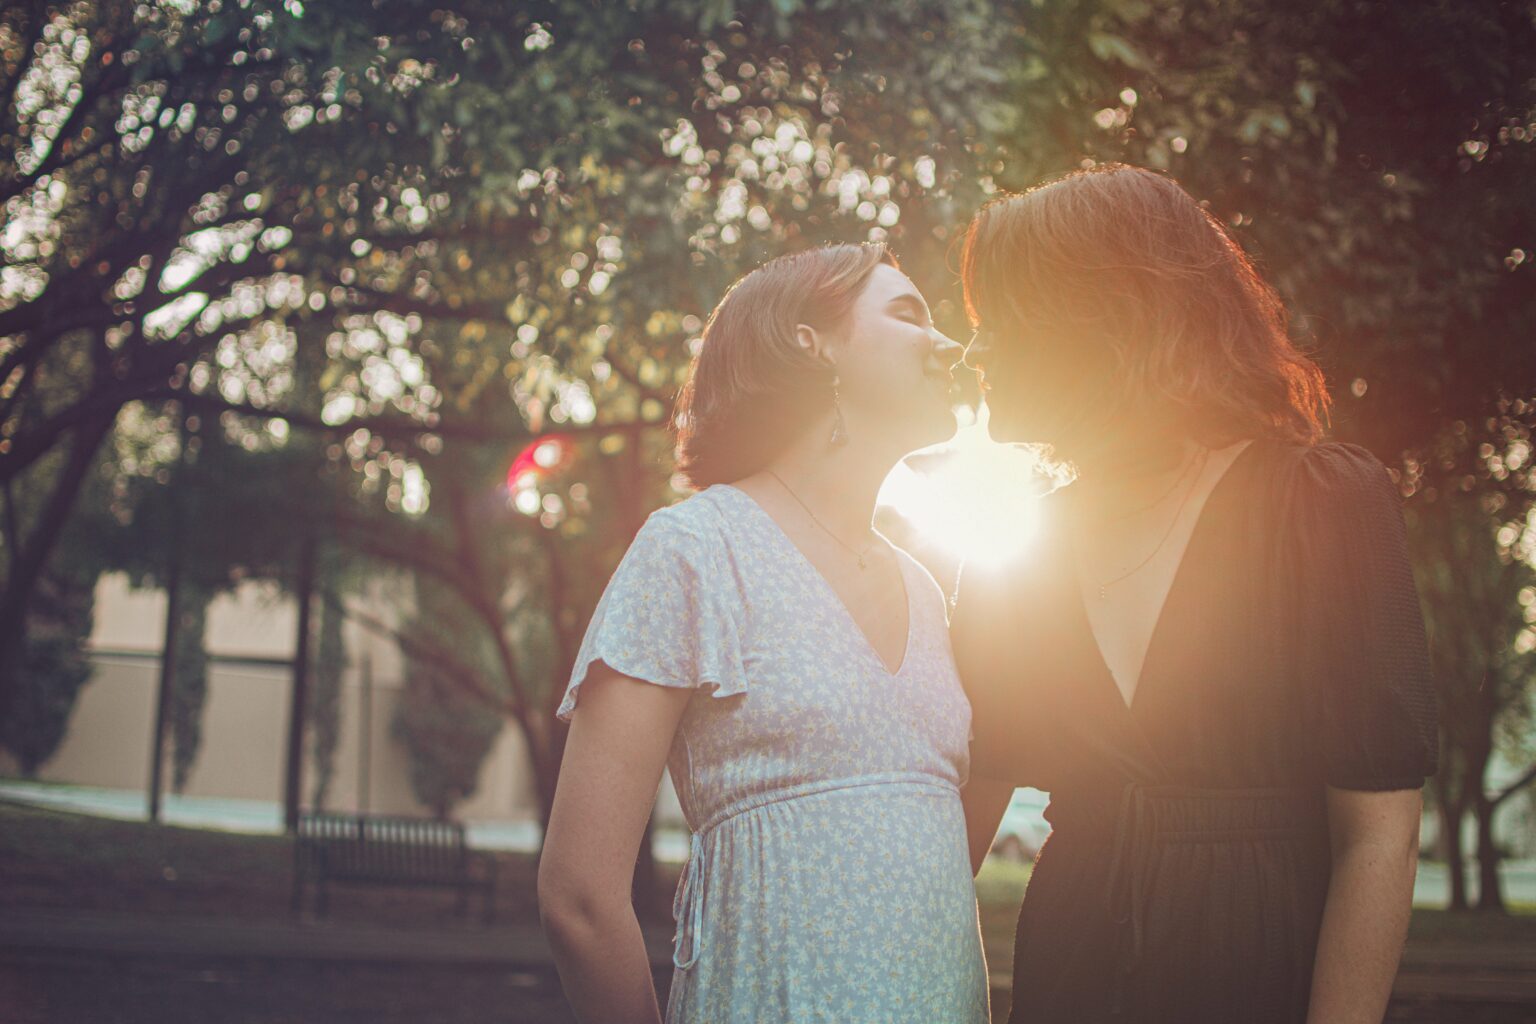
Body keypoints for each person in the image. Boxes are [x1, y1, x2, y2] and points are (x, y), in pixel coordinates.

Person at [952, 164, 1439, 1023]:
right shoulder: (1017, 557)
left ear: (1103, 316)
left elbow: (1378, 841)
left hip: (1260, 970)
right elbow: (952, 831)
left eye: (1001, 319)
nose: (973, 351)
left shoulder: (1321, 505)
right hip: (1072, 976)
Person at [538, 242, 988, 1024]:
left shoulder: (923, 585)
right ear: (810, 341)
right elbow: (578, 897)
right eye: (909, 313)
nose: (949, 344)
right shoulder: (695, 551)